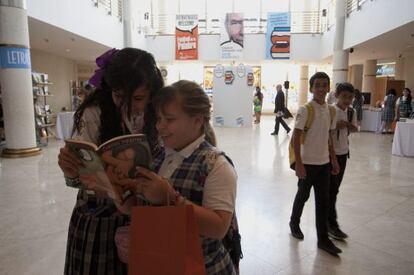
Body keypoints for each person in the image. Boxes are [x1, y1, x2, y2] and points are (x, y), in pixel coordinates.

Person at [57, 47, 164, 275]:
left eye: (137, 98)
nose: (126, 106)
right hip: (99, 217)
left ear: (153, 93)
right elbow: (78, 179)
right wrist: (71, 170)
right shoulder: (93, 114)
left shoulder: (159, 113)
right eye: (118, 95)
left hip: (145, 211)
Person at [119, 80, 240, 274]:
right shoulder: (157, 156)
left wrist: (172, 198)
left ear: (197, 121)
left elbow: (218, 227)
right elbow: (139, 209)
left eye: (170, 119)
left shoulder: (216, 165)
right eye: (159, 119)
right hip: (159, 261)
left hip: (201, 267)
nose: (160, 126)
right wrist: (115, 190)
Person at [289, 72, 341, 256]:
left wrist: (333, 159)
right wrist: (300, 164)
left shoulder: (331, 110)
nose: (321, 88)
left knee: (323, 201)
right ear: (311, 88)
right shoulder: (305, 109)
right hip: (308, 163)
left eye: (324, 85)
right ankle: (294, 223)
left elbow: (329, 136)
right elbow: (296, 135)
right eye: (317, 85)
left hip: (324, 163)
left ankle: (323, 240)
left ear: (328, 88)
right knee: (302, 195)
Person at [329, 82, 358, 240]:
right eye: (344, 96)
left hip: (343, 154)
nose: (347, 100)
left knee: (334, 190)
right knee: (331, 191)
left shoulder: (351, 112)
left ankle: (330, 224)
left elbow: (355, 128)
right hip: (330, 155)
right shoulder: (331, 110)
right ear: (337, 95)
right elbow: (325, 131)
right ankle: (331, 225)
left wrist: (346, 125)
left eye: (350, 97)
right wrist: (335, 125)